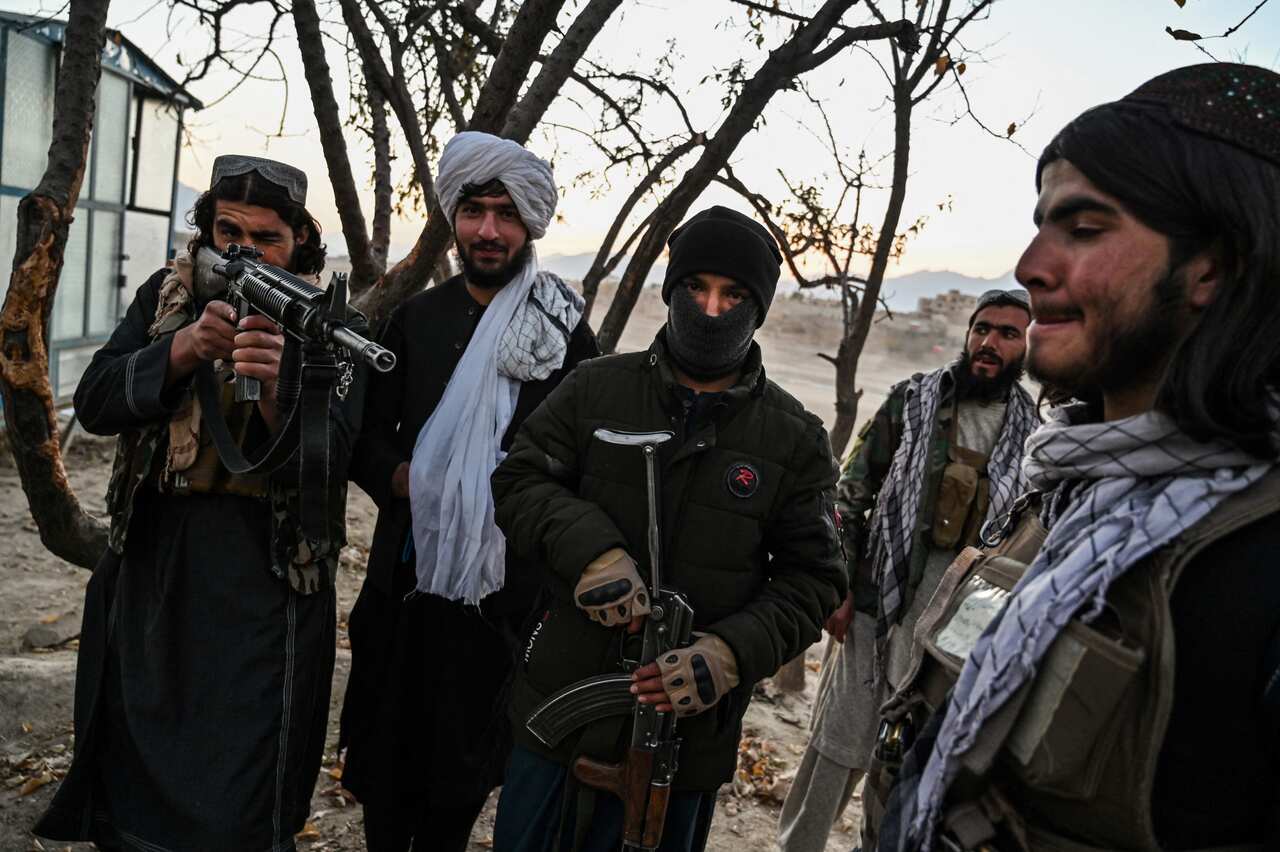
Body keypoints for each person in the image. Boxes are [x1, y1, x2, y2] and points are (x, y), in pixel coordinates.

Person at [877, 62, 1280, 852]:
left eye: (1084, 229)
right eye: (1041, 225)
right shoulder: (1063, 491)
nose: (1031, 267)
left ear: (1215, 265)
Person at [489, 205, 847, 851]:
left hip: (686, 741)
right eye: (696, 288)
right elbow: (519, 481)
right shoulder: (595, 387)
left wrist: (732, 652)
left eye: (733, 294)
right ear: (671, 290)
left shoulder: (795, 439)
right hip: (559, 708)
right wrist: (591, 551)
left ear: (758, 306)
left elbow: (815, 580)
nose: (712, 310)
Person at [35, 155, 362, 851]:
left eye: (267, 238)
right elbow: (95, 401)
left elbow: (332, 462)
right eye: (227, 230)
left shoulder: (329, 323)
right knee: (137, 755)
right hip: (159, 560)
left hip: (265, 579)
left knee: (239, 784)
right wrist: (183, 349)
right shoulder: (166, 296)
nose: (242, 250)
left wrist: (278, 388)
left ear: (300, 240)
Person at [337, 131, 598, 852]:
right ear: (454, 215)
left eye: (507, 214)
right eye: (476, 210)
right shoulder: (415, 321)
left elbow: (582, 460)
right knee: (383, 778)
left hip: (501, 602)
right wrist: (412, 480)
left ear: (530, 224)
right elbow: (363, 438)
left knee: (460, 783)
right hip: (405, 586)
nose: (489, 230)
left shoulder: (562, 333)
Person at [777, 291, 1039, 852]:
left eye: (1008, 334)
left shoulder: (1035, 437)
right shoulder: (912, 400)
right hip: (879, 605)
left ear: (1025, 347)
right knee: (837, 746)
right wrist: (840, 585)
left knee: (906, 764)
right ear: (969, 333)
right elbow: (849, 496)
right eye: (983, 329)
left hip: (954, 636)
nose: (990, 344)